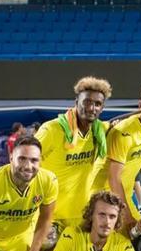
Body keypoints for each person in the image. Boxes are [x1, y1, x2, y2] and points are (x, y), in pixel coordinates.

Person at [36, 77, 111, 236]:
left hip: (81, 215)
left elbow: (122, 122)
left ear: (102, 108)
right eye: (87, 102)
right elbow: (27, 158)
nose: (91, 107)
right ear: (76, 101)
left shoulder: (100, 131)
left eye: (97, 104)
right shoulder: (52, 130)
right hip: (51, 214)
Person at [92, 84, 141, 225]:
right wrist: (126, 216)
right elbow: (114, 178)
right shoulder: (123, 133)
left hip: (125, 195)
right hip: (104, 197)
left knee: (139, 240)